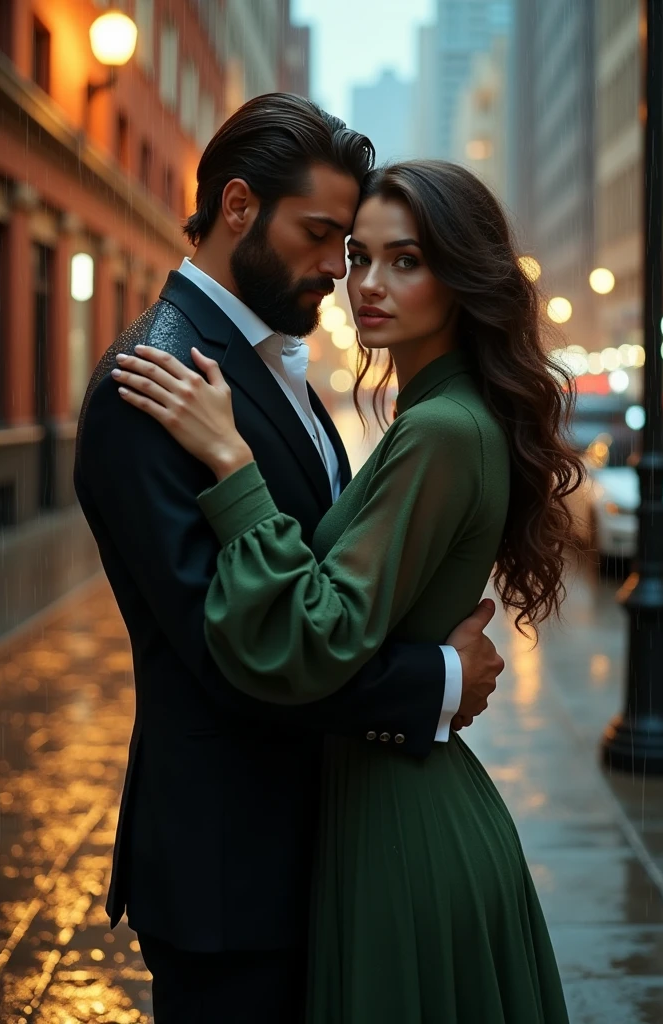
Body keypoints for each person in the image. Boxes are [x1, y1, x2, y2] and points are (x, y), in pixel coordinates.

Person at [114, 159, 584, 1024]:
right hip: (388, 802)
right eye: (358, 256)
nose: (365, 283)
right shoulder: (434, 413)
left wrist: (234, 465)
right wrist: (438, 678)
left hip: (402, 827)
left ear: (464, 275)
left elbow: (315, 634)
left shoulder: (441, 429)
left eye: (405, 260)